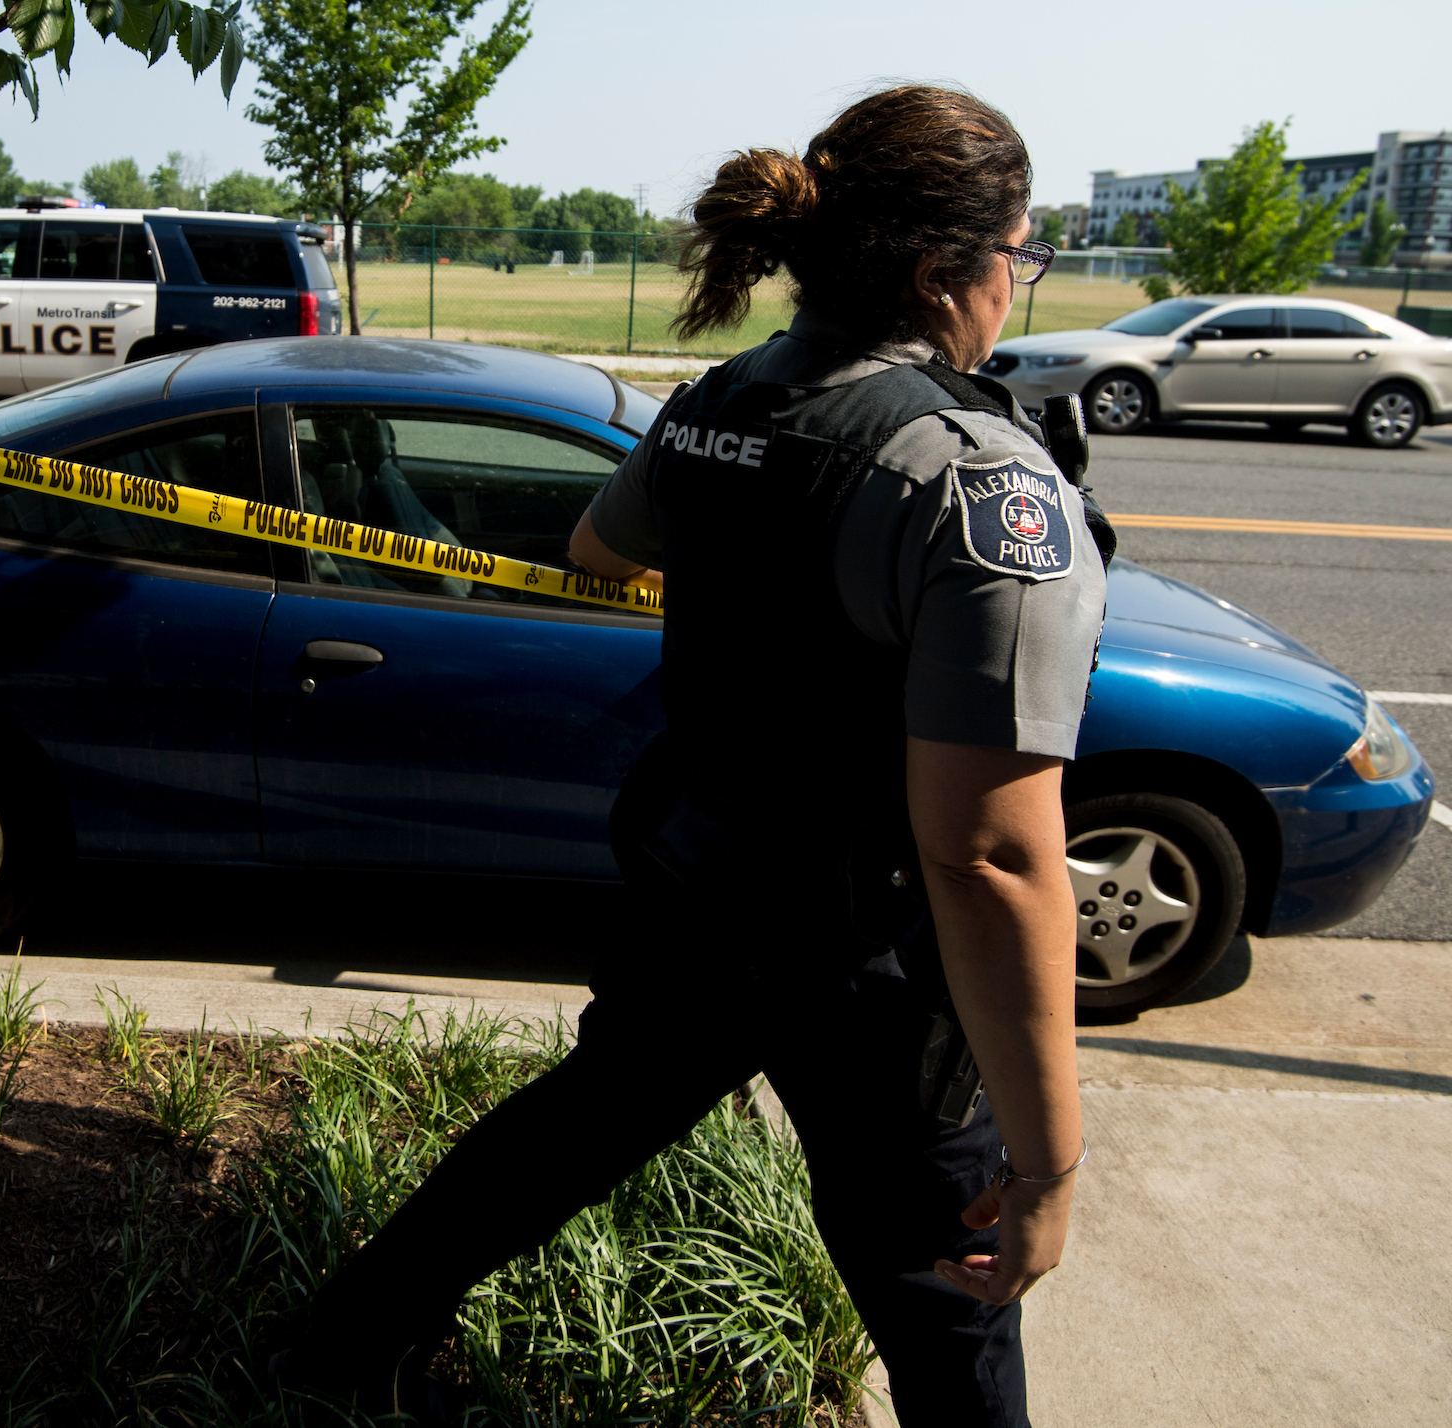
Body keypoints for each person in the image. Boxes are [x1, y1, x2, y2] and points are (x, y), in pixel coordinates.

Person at [273, 85, 1106, 1428]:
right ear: (946, 271)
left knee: (565, 1136)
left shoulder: (723, 402)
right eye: (1024, 257)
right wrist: (1054, 1163)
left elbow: (604, 546)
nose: (1022, 285)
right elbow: (992, 853)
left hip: (707, 892)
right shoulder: (973, 482)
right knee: (949, 1289)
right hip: (867, 968)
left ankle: (337, 1349)